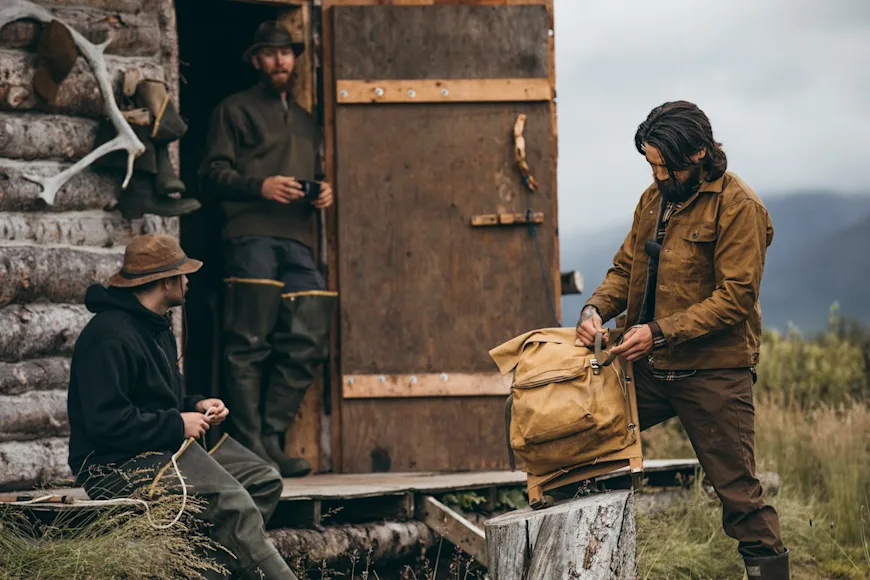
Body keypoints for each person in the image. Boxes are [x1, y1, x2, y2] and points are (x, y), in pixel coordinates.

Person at [575, 101, 789, 579]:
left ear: (697, 154)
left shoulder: (740, 206)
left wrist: (657, 332)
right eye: (649, 163)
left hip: (713, 371)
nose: (656, 173)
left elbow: (734, 298)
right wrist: (595, 309)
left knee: (740, 499)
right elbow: (624, 268)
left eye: (663, 164)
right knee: (577, 442)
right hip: (648, 367)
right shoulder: (654, 199)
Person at [67, 234, 298, 579]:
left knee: (263, 480)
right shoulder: (109, 336)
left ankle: (201, 570)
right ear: (165, 282)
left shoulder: (156, 327)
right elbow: (105, 422)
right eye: (183, 275)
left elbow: (160, 400)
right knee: (233, 502)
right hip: (116, 465)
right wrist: (177, 425)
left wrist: (196, 405)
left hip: (163, 448)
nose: (188, 282)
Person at [198, 20, 336, 478]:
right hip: (249, 233)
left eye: (287, 53)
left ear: (295, 59)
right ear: (255, 60)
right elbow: (209, 175)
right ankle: (251, 444)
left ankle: (271, 437)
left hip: (298, 239)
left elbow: (313, 174)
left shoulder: (307, 121)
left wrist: (323, 194)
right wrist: (261, 185)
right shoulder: (233, 109)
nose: (280, 60)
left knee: (308, 338)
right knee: (249, 342)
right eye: (270, 53)